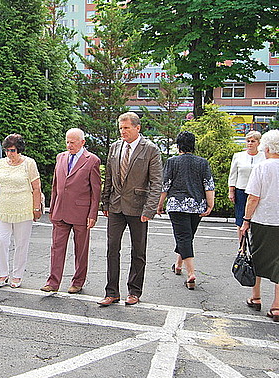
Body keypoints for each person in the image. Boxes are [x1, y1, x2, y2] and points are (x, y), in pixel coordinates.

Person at [99, 112, 162, 306]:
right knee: (112, 249)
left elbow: (156, 182)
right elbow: (109, 177)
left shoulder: (150, 149)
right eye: (120, 128)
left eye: (126, 128)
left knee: (138, 251)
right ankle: (112, 292)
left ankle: (134, 291)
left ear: (137, 128)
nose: (122, 131)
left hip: (138, 208)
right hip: (115, 206)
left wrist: (149, 210)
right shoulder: (115, 147)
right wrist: (105, 202)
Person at [41, 128, 101, 294]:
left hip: (81, 213)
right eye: (67, 142)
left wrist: (93, 214)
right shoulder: (60, 157)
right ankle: (53, 282)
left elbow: (96, 191)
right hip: (60, 211)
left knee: (81, 250)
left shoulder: (92, 160)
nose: (69, 145)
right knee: (56, 248)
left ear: (82, 142)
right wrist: (52, 208)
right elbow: (55, 186)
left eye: (73, 142)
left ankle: (78, 282)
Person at [156, 131, 215, 290]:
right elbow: (208, 185)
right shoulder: (202, 163)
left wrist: (159, 204)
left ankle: (191, 274)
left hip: (177, 205)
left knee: (184, 237)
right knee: (187, 237)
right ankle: (178, 265)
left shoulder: (172, 162)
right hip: (197, 206)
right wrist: (210, 205)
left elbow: (165, 185)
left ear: (178, 146)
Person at [0, 134, 42, 289]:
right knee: (1, 241)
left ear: (19, 150)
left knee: (21, 243)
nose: (9, 154)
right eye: (7, 150)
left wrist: (36, 208)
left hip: (23, 209)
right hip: (3, 208)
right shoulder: (1, 163)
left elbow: (36, 187)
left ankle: (17, 275)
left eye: (12, 150)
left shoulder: (29, 163)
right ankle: (3, 274)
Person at [241, 129, 279, 322]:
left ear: (268, 148)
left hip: (263, 220)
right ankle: (277, 306)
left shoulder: (262, 167)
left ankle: (256, 297)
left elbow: (253, 197)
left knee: (256, 258)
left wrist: (246, 220)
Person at [228, 131, 265, 240]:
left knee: (256, 218)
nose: (250, 143)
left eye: (253, 141)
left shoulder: (264, 157)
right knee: (240, 219)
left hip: (258, 191)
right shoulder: (238, 156)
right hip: (241, 190)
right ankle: (241, 246)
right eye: (248, 141)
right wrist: (231, 191)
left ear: (258, 143)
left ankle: (255, 245)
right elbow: (233, 174)